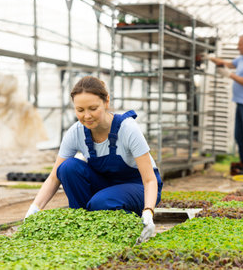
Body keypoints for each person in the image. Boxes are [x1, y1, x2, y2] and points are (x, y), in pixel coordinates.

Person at [24, 76, 163, 244]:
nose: (87, 116)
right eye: (80, 110)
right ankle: (85, 227)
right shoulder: (76, 132)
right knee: (68, 168)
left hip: (139, 187)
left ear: (106, 102)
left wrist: (148, 211)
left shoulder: (127, 128)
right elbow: (54, 177)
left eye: (93, 108)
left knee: (102, 202)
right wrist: (34, 209)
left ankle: (131, 226)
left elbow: (149, 180)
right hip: (107, 186)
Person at [203, 34, 243, 176]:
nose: (237, 47)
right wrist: (209, 58)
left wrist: (229, 75)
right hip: (241, 102)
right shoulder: (242, 59)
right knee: (239, 136)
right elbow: (228, 64)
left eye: (239, 45)